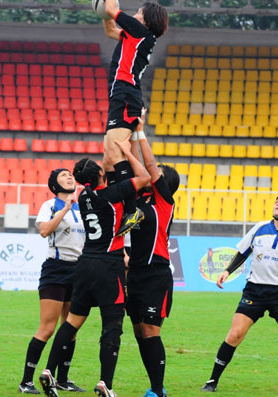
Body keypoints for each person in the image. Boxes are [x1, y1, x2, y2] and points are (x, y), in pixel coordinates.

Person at [39, 140, 151, 397]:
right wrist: (126, 153)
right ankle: (105, 384)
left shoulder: (84, 195)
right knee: (112, 325)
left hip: (85, 264)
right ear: (101, 174)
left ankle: (48, 371)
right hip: (109, 265)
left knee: (71, 323)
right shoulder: (113, 193)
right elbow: (144, 177)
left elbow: (100, 184)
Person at [201, 194, 278, 394]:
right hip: (254, 291)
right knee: (234, 334)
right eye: (277, 201)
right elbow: (243, 252)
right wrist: (227, 271)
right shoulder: (260, 228)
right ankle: (212, 381)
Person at [90, 0, 168, 237]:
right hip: (121, 96)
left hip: (125, 95)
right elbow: (111, 26)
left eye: (138, 12)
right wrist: (103, 10)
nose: (134, 15)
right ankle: (126, 206)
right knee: (109, 160)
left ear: (146, 20)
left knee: (113, 155)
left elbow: (112, 9)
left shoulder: (140, 32)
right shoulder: (135, 36)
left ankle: (132, 205)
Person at [18, 169, 86, 394]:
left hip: (79, 270)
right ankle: (26, 381)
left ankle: (63, 379)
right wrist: (65, 209)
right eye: (63, 175)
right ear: (54, 185)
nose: (69, 177)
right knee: (47, 328)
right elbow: (44, 231)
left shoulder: (84, 207)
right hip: (55, 270)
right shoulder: (50, 206)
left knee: (71, 327)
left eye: (70, 175)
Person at [128, 112, 180, 397]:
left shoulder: (164, 201)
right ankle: (155, 387)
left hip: (155, 275)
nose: (152, 172)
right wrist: (127, 147)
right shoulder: (141, 199)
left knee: (150, 331)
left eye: (158, 172)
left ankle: (158, 390)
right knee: (139, 332)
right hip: (134, 273)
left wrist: (140, 132)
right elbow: (137, 169)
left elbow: (148, 166)